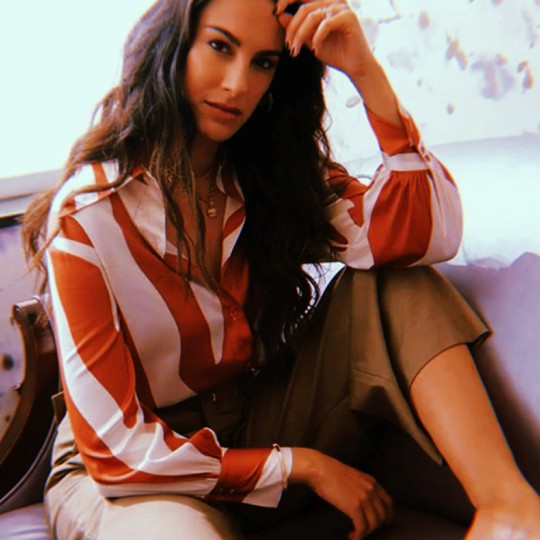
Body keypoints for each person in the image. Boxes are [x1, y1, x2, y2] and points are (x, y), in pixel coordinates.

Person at [22, 0, 540, 538]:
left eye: (263, 63)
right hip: (133, 468)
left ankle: (508, 508)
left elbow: (426, 236)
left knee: (398, 279)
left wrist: (365, 72)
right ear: (171, 47)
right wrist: (303, 465)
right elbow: (116, 453)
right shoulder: (90, 213)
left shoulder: (269, 175)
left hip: (254, 421)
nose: (237, 84)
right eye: (219, 47)